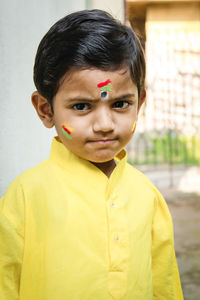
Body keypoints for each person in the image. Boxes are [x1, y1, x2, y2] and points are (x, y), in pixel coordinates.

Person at [0, 9, 183, 300]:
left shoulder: (148, 196)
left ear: (141, 102)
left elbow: (165, 286)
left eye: (121, 104)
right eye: (82, 107)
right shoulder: (24, 197)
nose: (105, 125)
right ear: (46, 110)